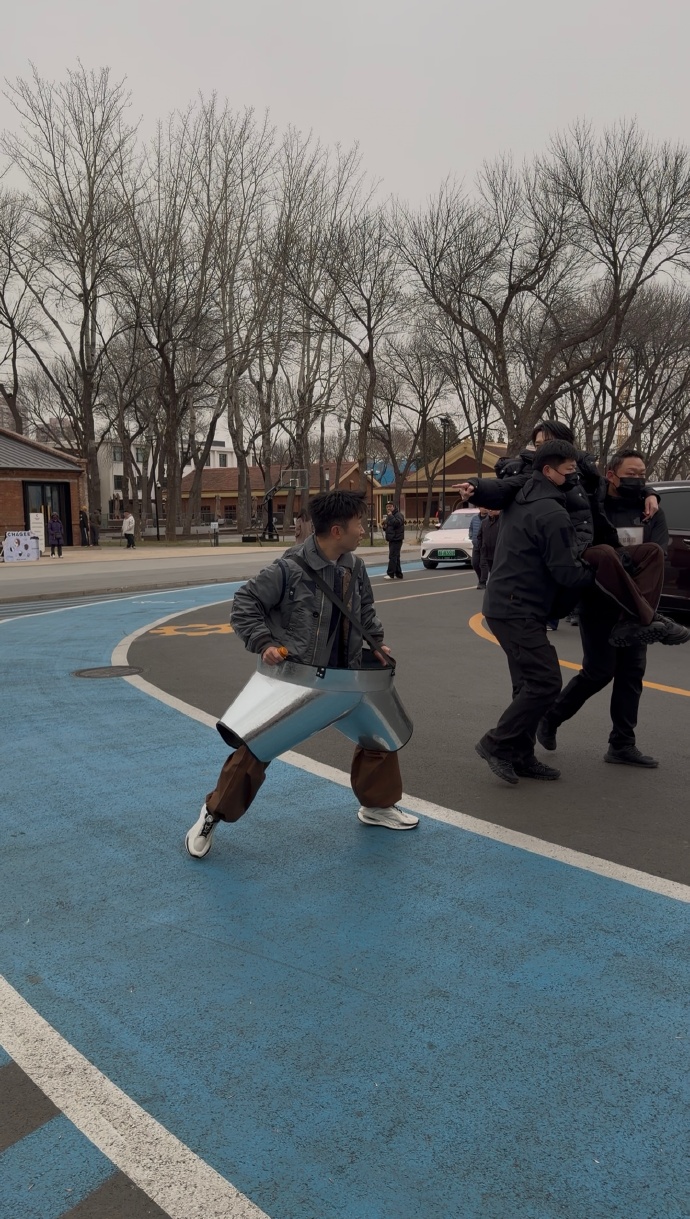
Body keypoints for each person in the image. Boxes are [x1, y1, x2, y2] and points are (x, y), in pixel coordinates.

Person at [185, 490, 419, 857]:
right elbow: (244, 603)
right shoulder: (288, 568)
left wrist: (375, 643)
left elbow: (366, 612)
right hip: (299, 678)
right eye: (359, 522)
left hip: (349, 674)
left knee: (380, 736)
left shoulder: (355, 567)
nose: (364, 529)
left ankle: (377, 806)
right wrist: (262, 641)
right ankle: (213, 813)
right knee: (257, 748)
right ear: (337, 530)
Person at [538, 450, 690, 767]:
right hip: (598, 601)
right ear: (611, 474)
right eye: (631, 473)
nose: (638, 479)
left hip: (634, 612)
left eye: (643, 474)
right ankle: (551, 718)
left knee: (632, 673)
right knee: (599, 672)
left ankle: (622, 744)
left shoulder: (651, 512)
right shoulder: (594, 502)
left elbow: (658, 553)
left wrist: (648, 494)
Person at [468, 440, 597, 784]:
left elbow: (498, 487)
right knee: (545, 682)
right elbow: (566, 571)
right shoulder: (551, 513)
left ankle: (521, 755)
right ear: (548, 471)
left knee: (528, 682)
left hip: (509, 603)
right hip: (516, 607)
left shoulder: (526, 494)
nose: (574, 477)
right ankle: (495, 743)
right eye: (568, 471)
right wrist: (596, 572)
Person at [383, 500, 405, 580]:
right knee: (396, 556)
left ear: (394, 507)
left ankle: (390, 573)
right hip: (392, 538)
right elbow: (389, 525)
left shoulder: (398, 515)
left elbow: (397, 523)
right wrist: (385, 526)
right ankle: (398, 573)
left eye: (390, 506)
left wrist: (391, 516)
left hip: (397, 538)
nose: (388, 508)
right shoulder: (390, 516)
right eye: (387, 507)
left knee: (392, 556)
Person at [478, 509, 500, 586]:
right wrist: (481, 546)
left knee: (497, 569)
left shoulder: (502, 521)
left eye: (493, 508)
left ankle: (496, 584)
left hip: (498, 551)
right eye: (489, 508)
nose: (490, 510)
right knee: (488, 568)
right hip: (486, 551)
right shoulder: (484, 522)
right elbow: (479, 536)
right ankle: (484, 582)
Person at [468, 509, 486, 587]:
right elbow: (471, 528)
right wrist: (471, 537)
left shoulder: (490, 519)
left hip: (485, 546)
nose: (484, 508)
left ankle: (483, 582)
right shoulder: (475, 518)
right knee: (475, 564)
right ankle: (480, 579)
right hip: (476, 545)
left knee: (483, 564)